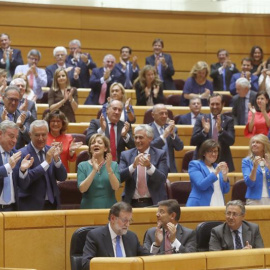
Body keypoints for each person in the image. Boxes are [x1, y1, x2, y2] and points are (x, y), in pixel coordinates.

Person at [13, 120, 67, 210]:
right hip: (31, 206)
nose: (41, 138)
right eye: (37, 135)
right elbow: (24, 183)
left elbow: (62, 177)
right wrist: (46, 163)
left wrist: (57, 160)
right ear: (30, 135)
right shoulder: (22, 154)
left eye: (44, 135)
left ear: (47, 134)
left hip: (52, 204)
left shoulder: (51, 151)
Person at [82, 201, 149, 270]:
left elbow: (148, 258)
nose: (127, 224)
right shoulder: (95, 236)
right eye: (124, 220)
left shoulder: (132, 237)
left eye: (129, 220)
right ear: (112, 218)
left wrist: (157, 246)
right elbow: (87, 264)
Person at [119, 124, 168, 207]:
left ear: (150, 138)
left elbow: (162, 179)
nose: (138, 140)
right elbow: (119, 177)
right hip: (131, 203)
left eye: (141, 137)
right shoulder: (125, 155)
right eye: (136, 137)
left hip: (154, 203)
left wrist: (149, 166)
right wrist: (133, 166)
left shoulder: (160, 154)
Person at [191, 93, 235, 172]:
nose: (215, 107)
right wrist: (204, 131)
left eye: (217, 104)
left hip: (222, 160)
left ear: (223, 104)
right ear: (209, 104)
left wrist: (221, 130)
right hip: (203, 161)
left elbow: (231, 141)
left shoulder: (229, 120)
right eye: (212, 104)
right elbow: (193, 141)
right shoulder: (201, 119)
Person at [77, 134, 120, 209]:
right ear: (90, 149)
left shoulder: (113, 165)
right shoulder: (82, 165)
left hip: (109, 208)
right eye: (93, 143)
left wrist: (109, 168)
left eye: (99, 143)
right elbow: (82, 189)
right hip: (88, 208)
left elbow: (116, 187)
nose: (96, 144)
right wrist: (94, 170)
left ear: (105, 148)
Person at [0, 120, 33, 211]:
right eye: (11, 136)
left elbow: (23, 186)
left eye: (16, 137)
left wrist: (23, 171)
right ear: (0, 134)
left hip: (12, 208)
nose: (14, 141)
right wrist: (8, 167)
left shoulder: (17, 154)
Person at [186, 139, 230, 206]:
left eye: (215, 151)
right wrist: (215, 172)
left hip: (219, 203)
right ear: (204, 153)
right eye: (210, 151)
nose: (213, 154)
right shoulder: (195, 165)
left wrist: (224, 176)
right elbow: (201, 185)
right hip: (200, 205)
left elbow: (226, 190)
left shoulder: (217, 166)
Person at [149, 104, 184, 172]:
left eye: (166, 113)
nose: (164, 116)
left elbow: (180, 147)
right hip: (154, 170)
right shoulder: (147, 129)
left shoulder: (173, 129)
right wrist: (164, 136)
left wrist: (172, 135)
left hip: (171, 169)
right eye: (161, 113)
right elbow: (149, 148)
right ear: (153, 115)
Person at [242, 134, 270, 205]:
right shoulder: (246, 161)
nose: (254, 144)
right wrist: (254, 168)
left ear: (264, 145)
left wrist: (269, 166)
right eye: (253, 142)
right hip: (254, 199)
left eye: (258, 142)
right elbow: (249, 183)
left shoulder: (269, 159)